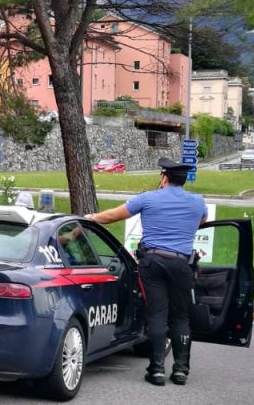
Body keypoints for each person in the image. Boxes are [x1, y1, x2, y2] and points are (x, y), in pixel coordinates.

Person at [87, 157, 206, 386]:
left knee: (157, 314)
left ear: (164, 178)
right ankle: (181, 370)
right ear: (184, 180)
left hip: (153, 262)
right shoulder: (198, 202)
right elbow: (201, 223)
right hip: (182, 264)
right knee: (181, 316)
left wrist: (91, 218)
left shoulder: (148, 198)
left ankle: (157, 369)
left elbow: (112, 216)